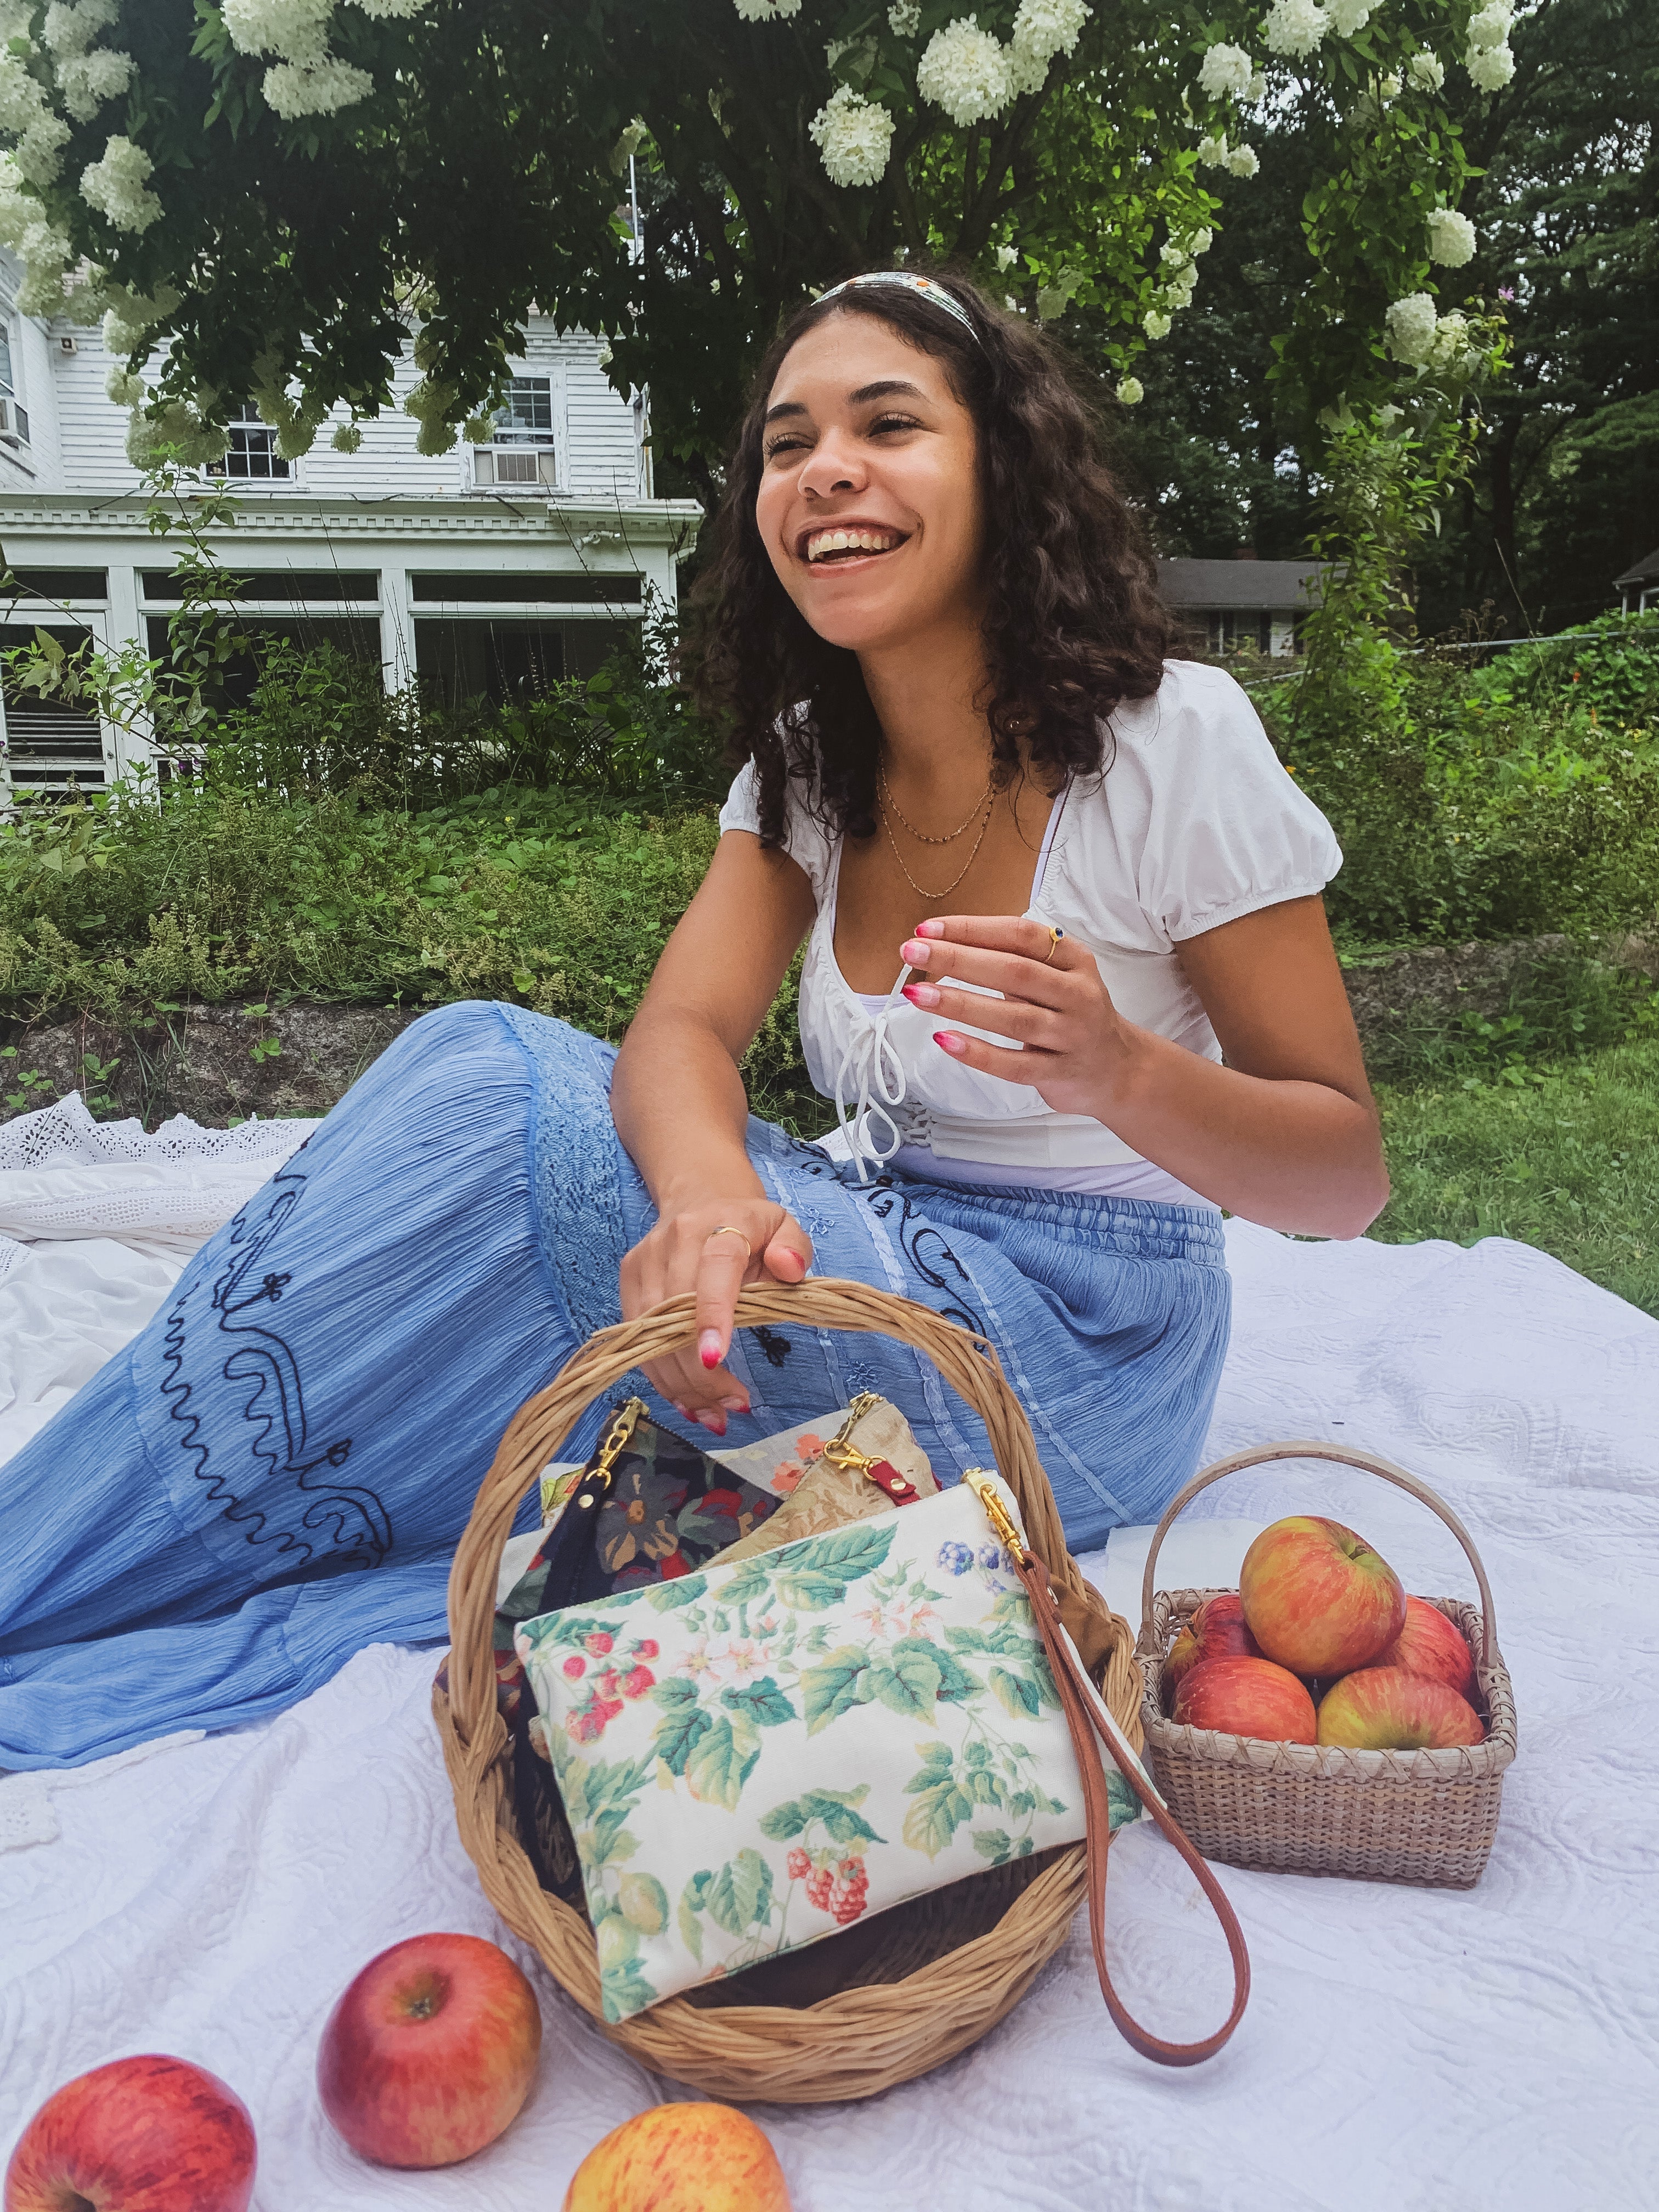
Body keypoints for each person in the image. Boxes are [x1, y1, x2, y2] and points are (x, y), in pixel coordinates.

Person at [0, 270, 1385, 1769]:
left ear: (1006, 464)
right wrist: (715, 1197)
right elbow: (676, 1035)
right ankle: (107, 1538)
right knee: (524, 1129)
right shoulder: (811, 762)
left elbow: (1344, 1176)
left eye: (888, 424)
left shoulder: (1171, 739)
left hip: (1090, 1348)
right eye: (787, 445)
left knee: (491, 1105)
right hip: (887, 1246)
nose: (826, 470)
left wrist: (1121, 1068)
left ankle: (58, 1560)